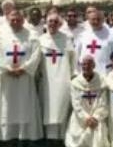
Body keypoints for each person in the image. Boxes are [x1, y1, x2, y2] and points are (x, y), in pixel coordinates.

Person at [0, 10, 43, 144]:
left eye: (18, 19)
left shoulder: (32, 36)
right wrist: (8, 69)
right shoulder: (1, 37)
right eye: (12, 20)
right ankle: (6, 136)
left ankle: (25, 136)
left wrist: (24, 68)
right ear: (8, 20)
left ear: (23, 20)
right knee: (7, 107)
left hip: (25, 78)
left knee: (24, 105)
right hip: (7, 79)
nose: (15, 22)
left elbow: (36, 54)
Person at [37, 12, 76, 145]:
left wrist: (72, 75)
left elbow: (73, 60)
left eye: (55, 22)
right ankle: (47, 138)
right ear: (46, 23)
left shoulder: (66, 39)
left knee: (62, 107)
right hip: (46, 80)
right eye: (50, 21)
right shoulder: (40, 40)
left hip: (63, 79)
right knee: (46, 107)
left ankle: (61, 137)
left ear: (59, 24)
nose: (52, 24)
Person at [64, 55, 109, 147]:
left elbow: (103, 103)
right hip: (80, 117)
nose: (86, 66)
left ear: (94, 66)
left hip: (96, 118)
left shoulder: (101, 82)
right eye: (84, 64)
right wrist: (86, 118)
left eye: (89, 64)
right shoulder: (75, 83)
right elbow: (76, 104)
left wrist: (95, 118)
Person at [75, 7, 113, 75]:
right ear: (88, 20)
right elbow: (77, 55)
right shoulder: (82, 36)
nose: (96, 21)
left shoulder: (112, 36)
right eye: (93, 19)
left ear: (103, 20)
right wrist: (77, 71)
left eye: (98, 19)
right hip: (85, 73)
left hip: (105, 73)